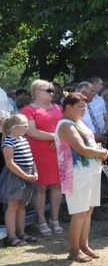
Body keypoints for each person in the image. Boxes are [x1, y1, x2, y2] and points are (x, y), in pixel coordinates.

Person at [55, 92, 108, 263]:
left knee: (88, 210)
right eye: (80, 106)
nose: (84, 109)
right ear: (68, 107)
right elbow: (82, 149)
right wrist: (102, 152)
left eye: (85, 106)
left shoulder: (77, 123)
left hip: (90, 171)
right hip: (76, 174)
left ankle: (84, 246)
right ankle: (74, 250)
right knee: (79, 212)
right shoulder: (65, 125)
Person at [21, 79, 64, 236]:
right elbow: (31, 132)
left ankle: (55, 219)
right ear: (37, 92)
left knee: (57, 185)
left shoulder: (59, 108)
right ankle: (41, 220)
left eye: (52, 90)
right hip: (38, 151)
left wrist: (58, 139)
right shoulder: (28, 110)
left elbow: (66, 127)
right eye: (49, 90)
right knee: (40, 186)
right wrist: (55, 137)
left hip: (57, 150)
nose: (52, 93)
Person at [0, 114, 39, 247]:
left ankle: (21, 233)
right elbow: (10, 163)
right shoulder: (8, 142)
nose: (27, 128)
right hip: (15, 176)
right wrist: (25, 176)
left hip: (27, 175)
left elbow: (32, 158)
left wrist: (35, 172)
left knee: (22, 205)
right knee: (13, 205)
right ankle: (11, 236)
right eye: (25, 126)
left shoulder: (24, 139)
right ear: (16, 127)